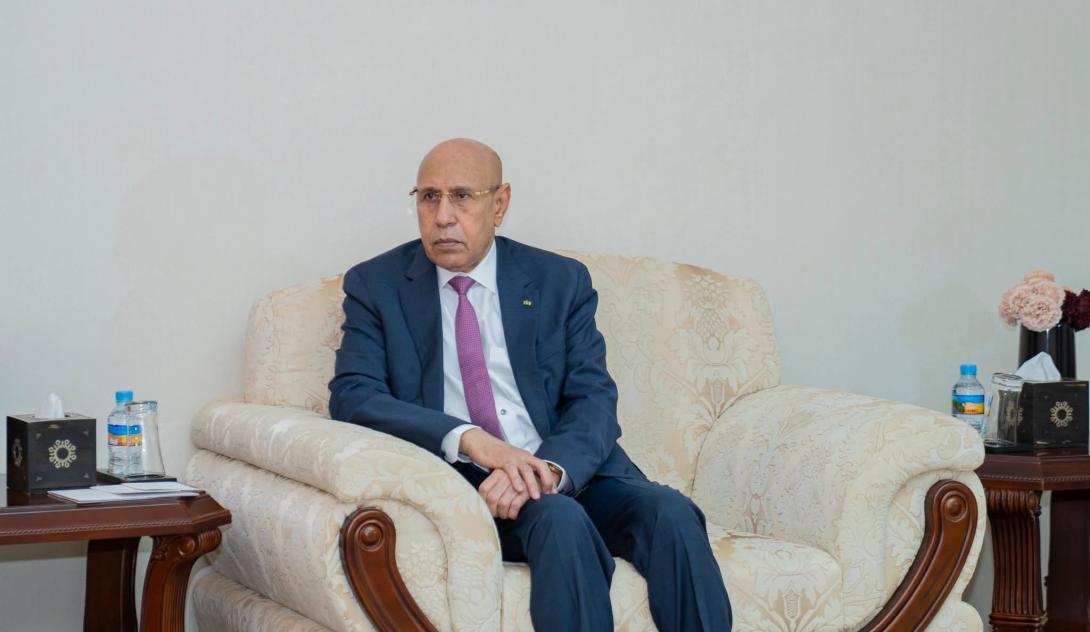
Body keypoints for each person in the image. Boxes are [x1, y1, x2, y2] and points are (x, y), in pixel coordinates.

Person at [329, 138, 732, 631]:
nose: (443, 217)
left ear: (499, 204)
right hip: (475, 486)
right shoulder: (378, 286)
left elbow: (592, 397)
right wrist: (473, 441)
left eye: (462, 196)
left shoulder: (558, 280)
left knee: (672, 513)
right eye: (429, 197)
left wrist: (550, 470)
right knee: (560, 520)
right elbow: (355, 396)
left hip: (567, 469)